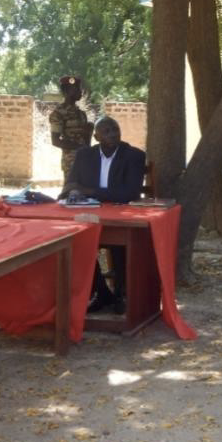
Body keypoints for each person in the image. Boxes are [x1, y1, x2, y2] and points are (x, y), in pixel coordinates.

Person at [61, 117, 147, 313]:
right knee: (75, 241)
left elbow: (129, 193)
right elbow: (71, 184)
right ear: (96, 136)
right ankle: (101, 292)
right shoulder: (84, 155)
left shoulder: (134, 156)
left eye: (115, 129)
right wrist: (73, 192)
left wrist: (89, 191)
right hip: (88, 215)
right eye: (107, 131)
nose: (113, 134)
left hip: (120, 216)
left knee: (119, 242)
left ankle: (120, 294)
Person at [49, 75, 94, 177]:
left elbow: (86, 142)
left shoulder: (81, 114)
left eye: (79, 88)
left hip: (85, 159)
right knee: (71, 186)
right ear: (66, 92)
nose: (80, 91)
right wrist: (80, 148)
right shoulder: (58, 114)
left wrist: (88, 133)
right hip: (71, 162)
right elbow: (55, 141)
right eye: (76, 89)